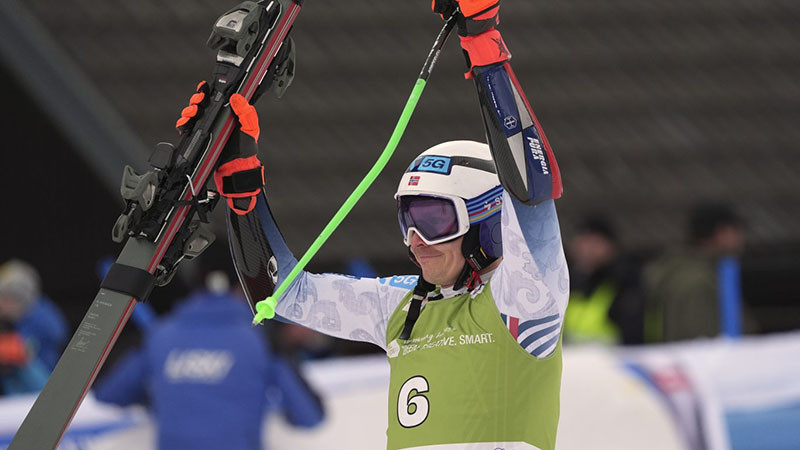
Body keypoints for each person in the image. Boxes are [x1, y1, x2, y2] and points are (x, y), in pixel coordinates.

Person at [183, 1, 569, 448]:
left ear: (486, 222)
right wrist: (242, 187)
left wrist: (484, 46)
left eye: (434, 218)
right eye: (408, 219)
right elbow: (282, 295)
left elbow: (533, 198)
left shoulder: (526, 303)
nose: (416, 240)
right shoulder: (401, 306)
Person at [93, 269, 324, 450]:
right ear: (241, 287)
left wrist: (160, 396)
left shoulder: (160, 336)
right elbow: (308, 416)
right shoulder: (259, 342)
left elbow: (109, 392)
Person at [643, 202, 748, 342]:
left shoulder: (681, 272)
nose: (741, 239)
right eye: (737, 231)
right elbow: (704, 345)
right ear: (721, 233)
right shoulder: (698, 282)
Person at [563, 215, 645, 345]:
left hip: (611, 362)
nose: (586, 249)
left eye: (594, 243)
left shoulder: (623, 284)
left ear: (610, 247)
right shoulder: (565, 280)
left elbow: (633, 335)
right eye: (582, 241)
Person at [0, 260, 68, 372]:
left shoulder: (42, 319)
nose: (1, 304)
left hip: (43, 379)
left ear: (16, 299)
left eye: (4, 299)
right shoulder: (18, 315)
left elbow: (21, 352)